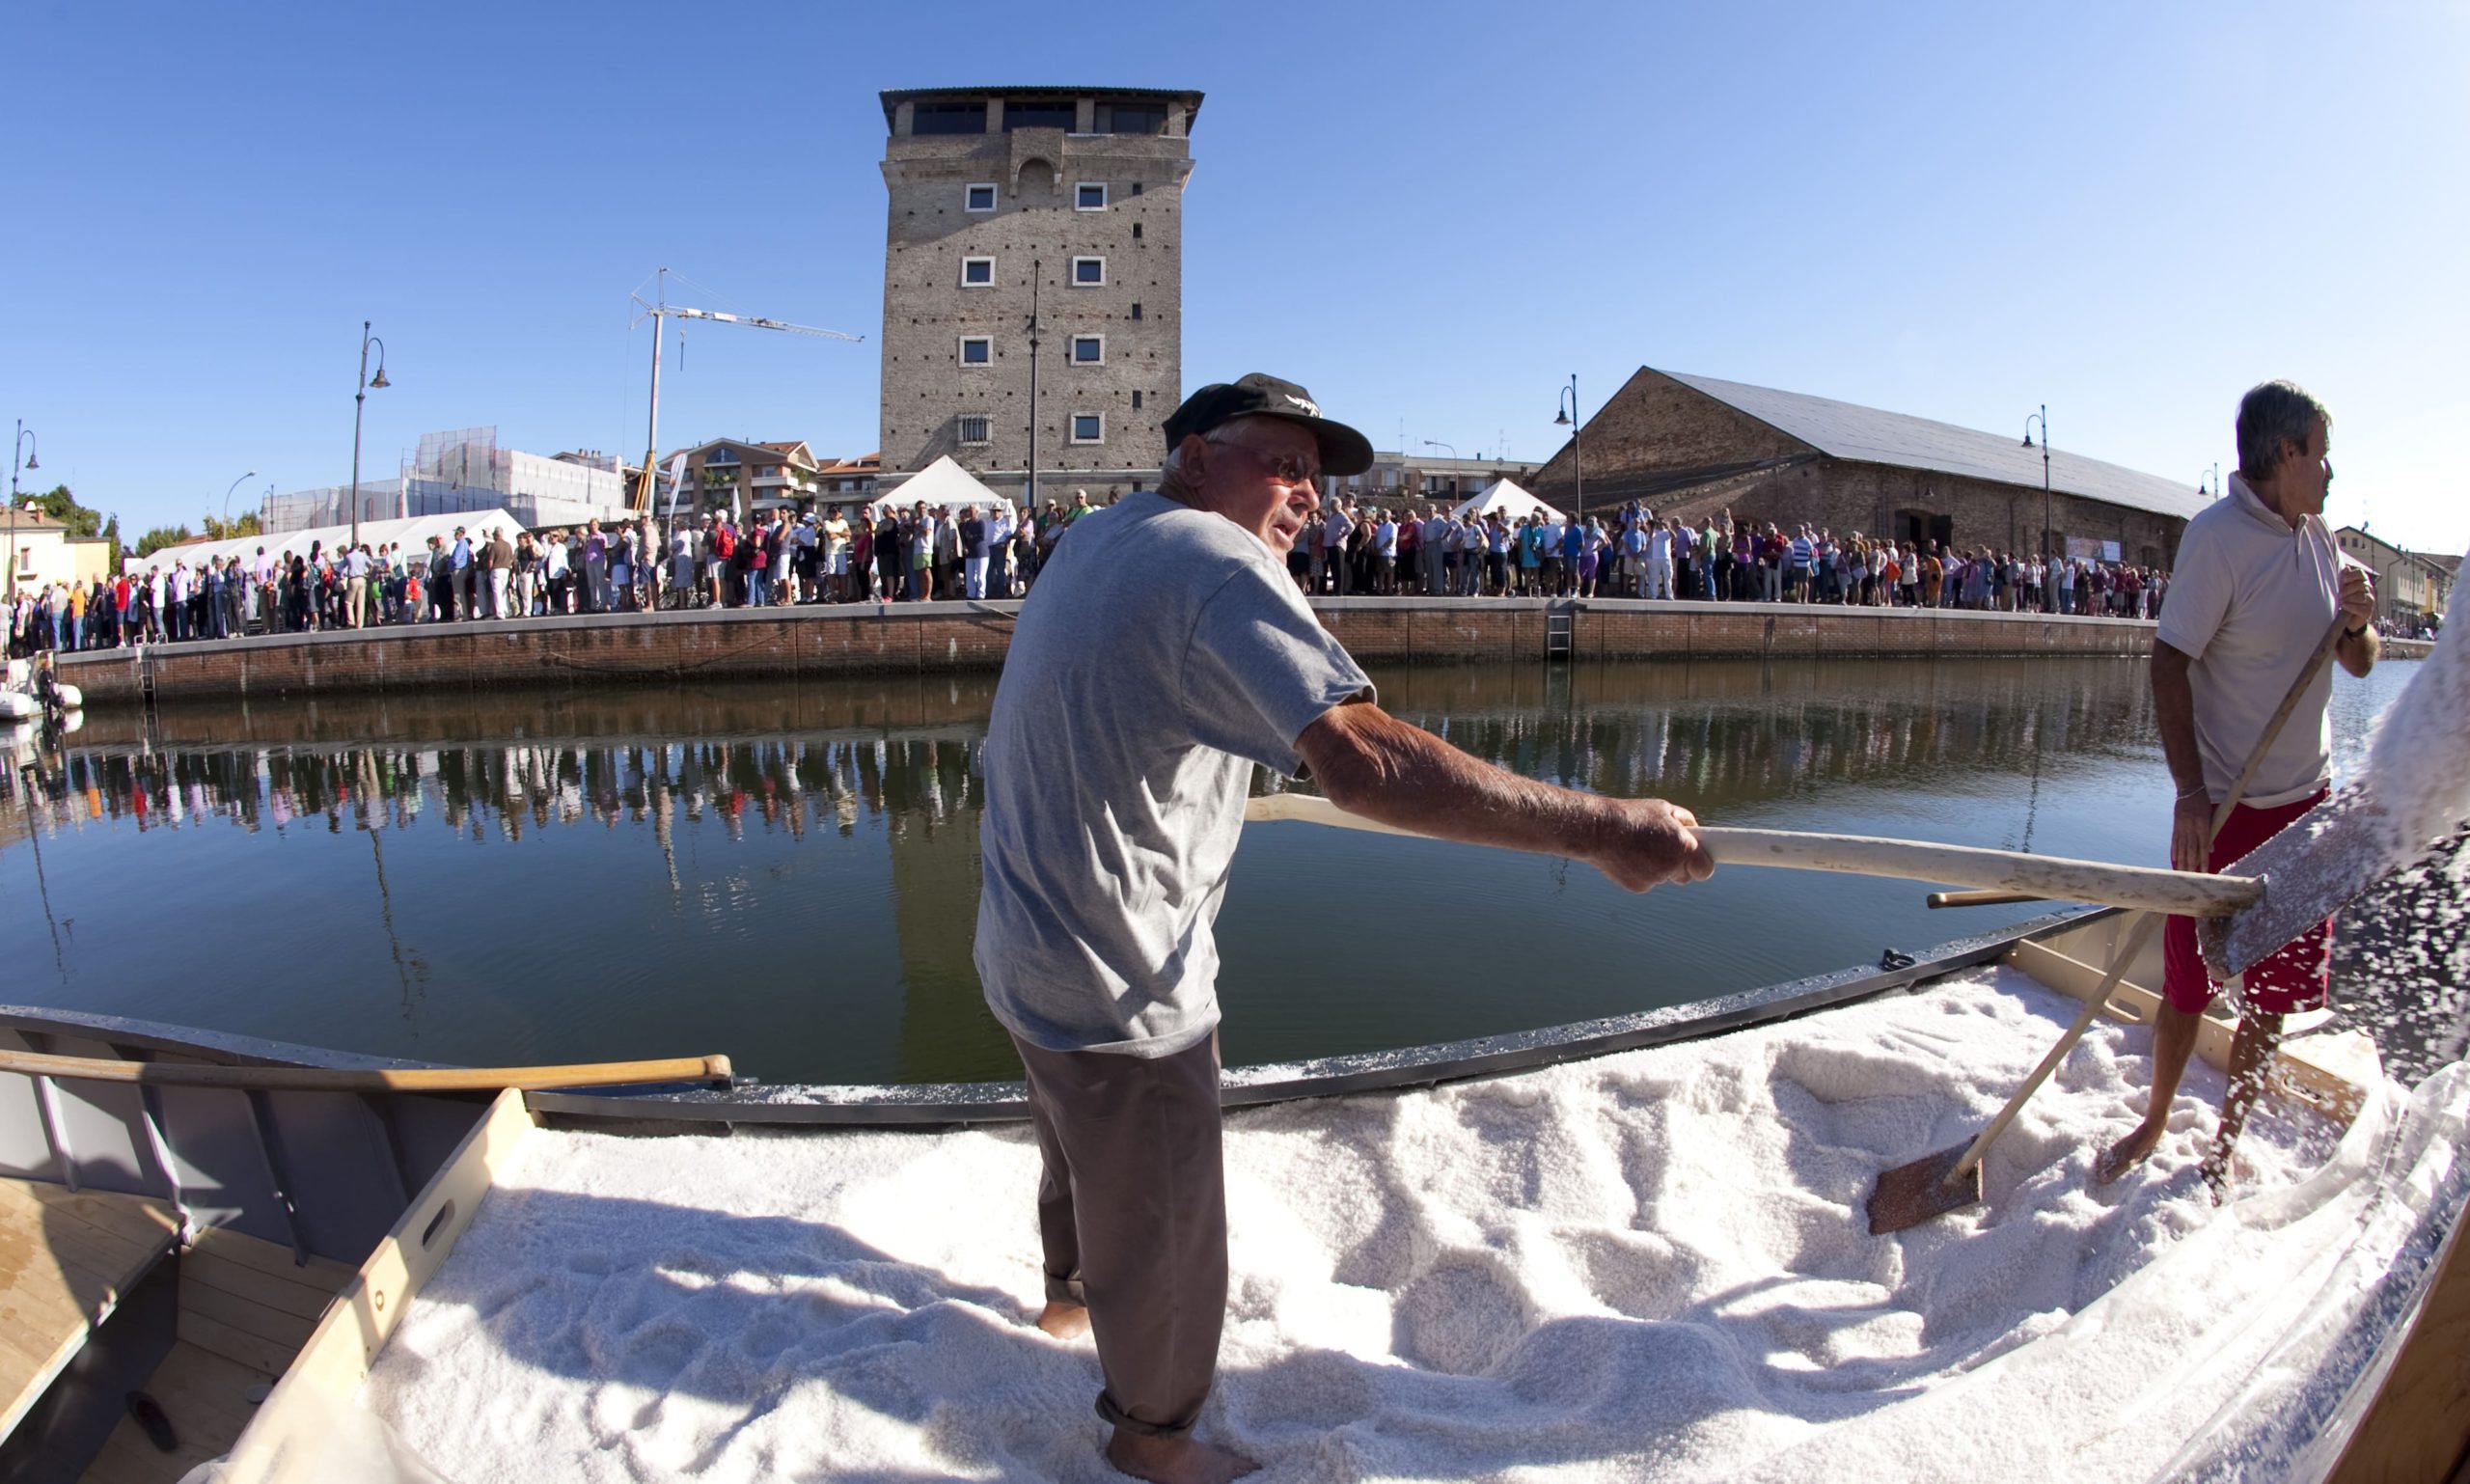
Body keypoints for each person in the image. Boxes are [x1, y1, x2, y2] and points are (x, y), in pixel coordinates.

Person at [977, 373, 1710, 1484]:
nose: (1307, 494)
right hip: (1122, 975)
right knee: (1165, 1205)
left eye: (1314, 476)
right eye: (1281, 462)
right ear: (1194, 459)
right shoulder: (1217, 560)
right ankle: (1151, 1434)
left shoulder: (1096, 538)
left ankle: (1067, 1300)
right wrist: (1602, 827)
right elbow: (1364, 763)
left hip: (1020, 933)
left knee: (1072, 1136)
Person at [2097, 380, 2378, 1198]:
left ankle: (2226, 1139)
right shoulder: (2217, 540)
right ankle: (2154, 1120)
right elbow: (2168, 659)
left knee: (2276, 991)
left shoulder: (2320, 539)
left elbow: (2358, 663)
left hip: (2306, 804)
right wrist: (2188, 792)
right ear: (2285, 453)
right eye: (2320, 455)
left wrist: (2355, 623)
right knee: (2186, 977)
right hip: (2224, 806)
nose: (2329, 473)